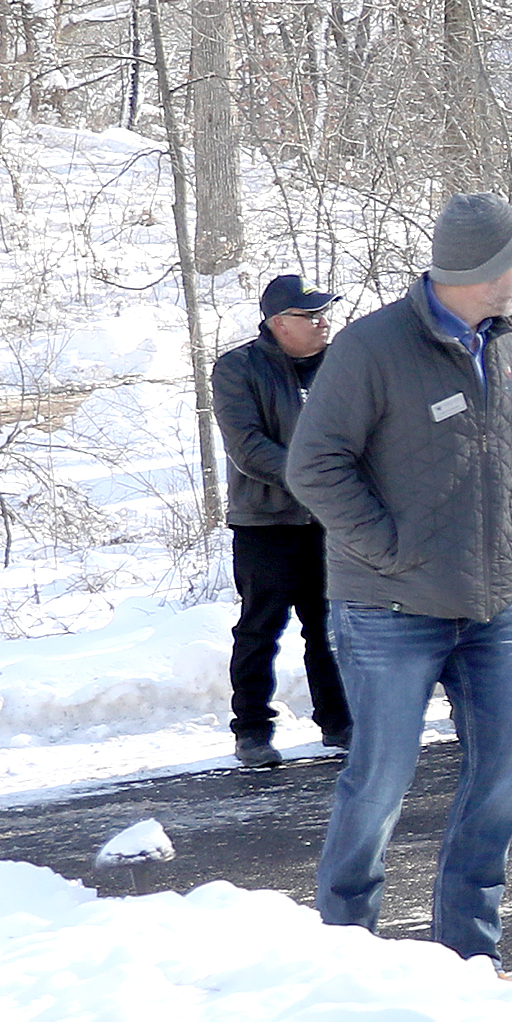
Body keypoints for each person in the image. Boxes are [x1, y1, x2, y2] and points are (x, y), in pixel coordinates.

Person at [285, 195, 512, 963]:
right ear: (481, 270)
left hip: (492, 605)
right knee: (382, 782)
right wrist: (389, 549)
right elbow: (313, 465)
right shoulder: (371, 347)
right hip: (390, 608)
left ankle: (470, 953)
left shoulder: (501, 339)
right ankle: (346, 950)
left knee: (500, 773)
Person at [210, 274, 354, 770]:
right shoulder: (237, 368)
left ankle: (339, 722)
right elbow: (248, 447)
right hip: (264, 522)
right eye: (309, 316)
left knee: (330, 625)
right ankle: (252, 730)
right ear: (277, 323)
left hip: (330, 520)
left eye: (324, 313)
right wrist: (317, 478)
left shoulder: (342, 363)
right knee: (260, 627)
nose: (321, 323)